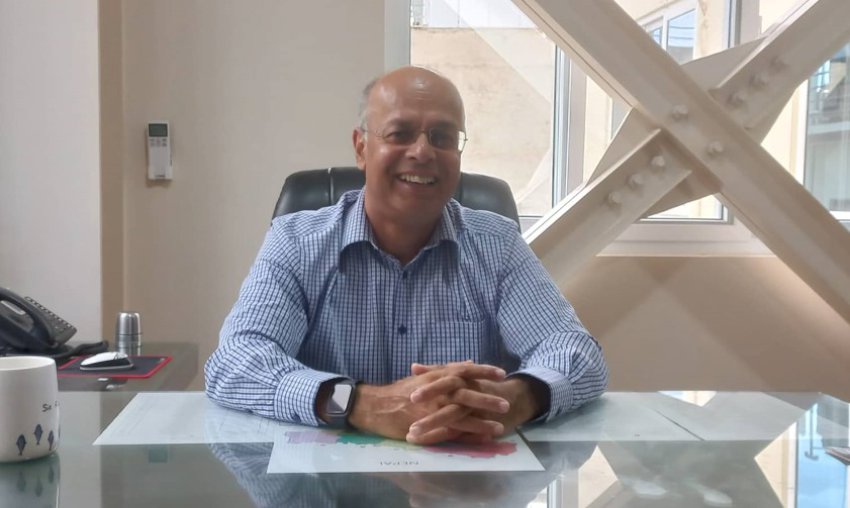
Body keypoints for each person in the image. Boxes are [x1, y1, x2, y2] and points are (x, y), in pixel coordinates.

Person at [205, 66, 608, 445]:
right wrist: (361, 404)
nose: (422, 152)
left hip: (465, 476)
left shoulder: (497, 245)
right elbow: (236, 361)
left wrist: (515, 398)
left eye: (442, 137)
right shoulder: (297, 241)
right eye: (400, 133)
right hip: (326, 480)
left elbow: (576, 351)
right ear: (361, 148)